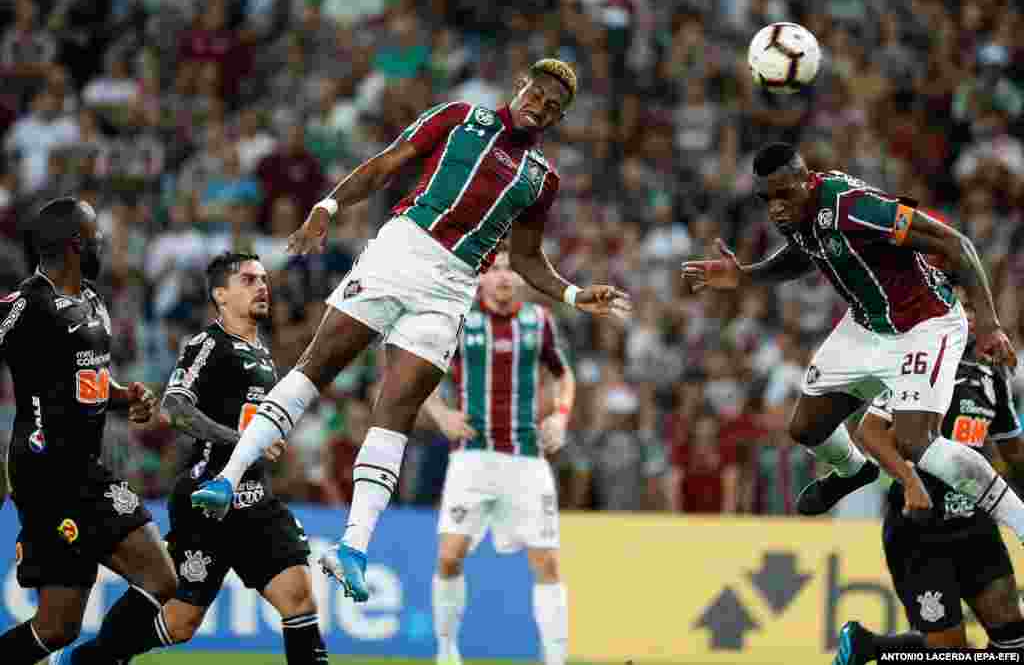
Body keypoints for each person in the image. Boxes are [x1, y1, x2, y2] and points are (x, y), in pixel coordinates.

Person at [191, 59, 630, 603]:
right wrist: (329, 206)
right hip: (403, 248)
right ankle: (228, 478)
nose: (540, 106)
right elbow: (387, 162)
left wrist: (571, 293)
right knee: (319, 365)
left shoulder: (541, 180)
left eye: (553, 107)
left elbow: (527, 257)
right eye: (537, 94)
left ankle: (353, 547)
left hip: (452, 287)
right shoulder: (458, 117)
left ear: (557, 119)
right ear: (521, 85)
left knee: (396, 408)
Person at [681, 142, 1024, 541]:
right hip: (866, 325)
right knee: (806, 428)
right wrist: (744, 276)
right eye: (766, 198)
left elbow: (956, 244)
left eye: (783, 194)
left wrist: (989, 324)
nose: (775, 207)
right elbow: (803, 253)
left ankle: (1019, 520)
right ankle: (853, 470)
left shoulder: (854, 206)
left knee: (916, 442)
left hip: (925, 326)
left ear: (807, 183)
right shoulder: (797, 216)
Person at [77, 252, 327, 664]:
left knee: (299, 597)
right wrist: (242, 440)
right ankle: (95, 658)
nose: (262, 286)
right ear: (221, 295)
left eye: (263, 279)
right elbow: (175, 408)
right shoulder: (209, 343)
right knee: (181, 623)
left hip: (256, 499)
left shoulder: (262, 352)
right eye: (248, 280)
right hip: (207, 497)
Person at [0, 197, 174, 665]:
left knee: (158, 579)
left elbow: (88, 380)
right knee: (58, 628)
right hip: (45, 479)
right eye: (97, 235)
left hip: (87, 472)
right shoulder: (29, 303)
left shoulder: (93, 301)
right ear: (76, 244)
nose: (103, 243)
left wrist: (126, 396)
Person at [833, 290, 1024, 663]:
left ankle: (870, 647)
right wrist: (909, 480)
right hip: (920, 533)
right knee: (948, 653)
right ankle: (869, 645)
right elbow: (869, 431)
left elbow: (1015, 453)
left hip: (975, 528)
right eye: (960, 308)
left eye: (974, 308)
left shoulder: (991, 375)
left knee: (1014, 644)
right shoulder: (917, 366)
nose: (969, 315)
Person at [420, 247, 575, 665]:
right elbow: (420, 373)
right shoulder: (458, 321)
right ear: (481, 278)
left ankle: (556, 660)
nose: (504, 276)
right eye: (494, 269)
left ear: (522, 277)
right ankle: (447, 651)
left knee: (547, 563)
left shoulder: (538, 322)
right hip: (472, 456)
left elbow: (563, 376)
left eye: (510, 269)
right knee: (449, 556)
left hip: (526, 458)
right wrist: (440, 414)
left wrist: (560, 418)